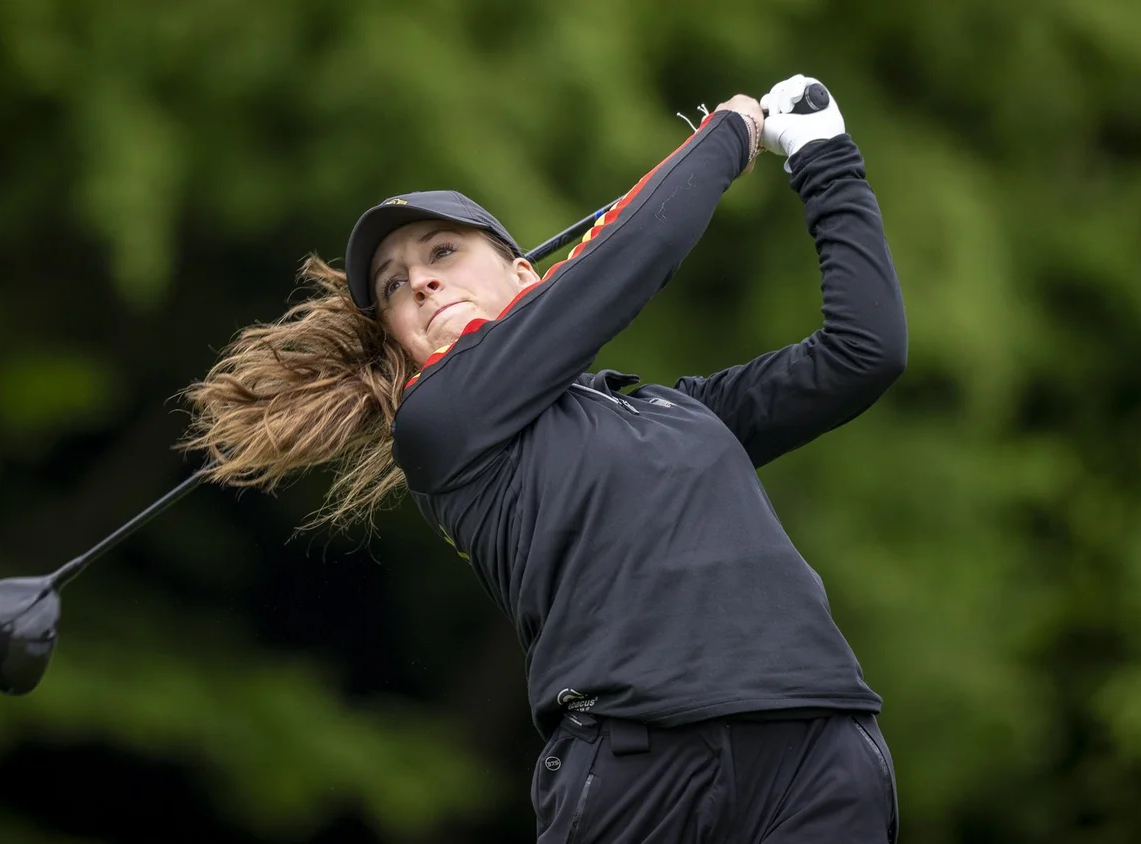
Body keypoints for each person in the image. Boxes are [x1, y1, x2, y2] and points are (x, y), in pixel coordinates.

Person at [180, 73, 906, 843]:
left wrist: (826, 156)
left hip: (819, 750)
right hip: (641, 765)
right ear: (401, 340)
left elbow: (862, 353)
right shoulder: (440, 423)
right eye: (395, 286)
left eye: (443, 251)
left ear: (523, 274)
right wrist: (727, 134)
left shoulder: (678, 412)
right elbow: (625, 260)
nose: (421, 281)